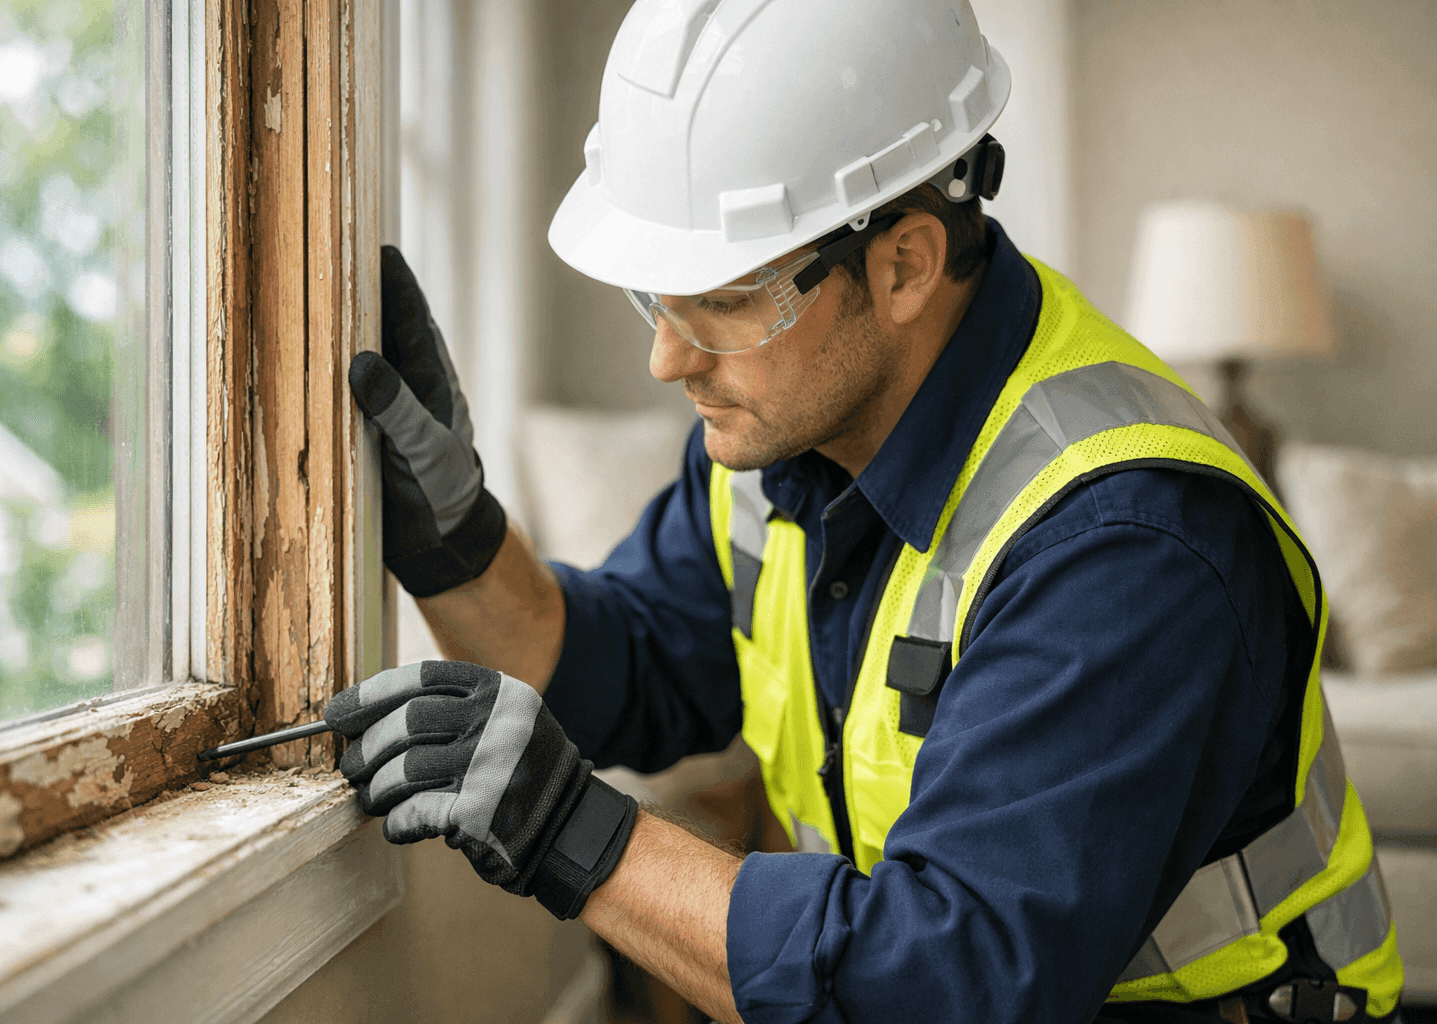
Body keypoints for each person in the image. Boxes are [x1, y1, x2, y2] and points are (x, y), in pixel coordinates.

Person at [329, 1, 1405, 1021]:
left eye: (724, 300)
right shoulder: (779, 441)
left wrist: (571, 830)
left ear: (902, 265)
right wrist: (454, 542)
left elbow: (945, 983)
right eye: (657, 297)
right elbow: (619, 666)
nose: (668, 357)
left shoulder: (1124, 544)